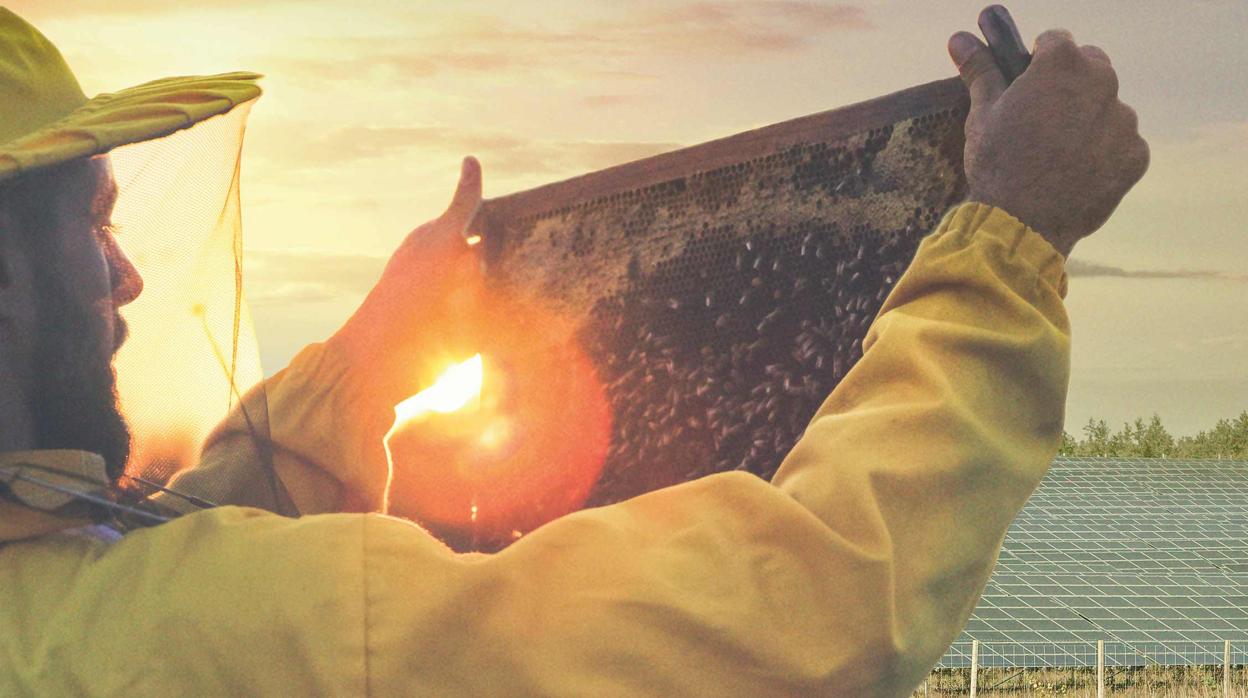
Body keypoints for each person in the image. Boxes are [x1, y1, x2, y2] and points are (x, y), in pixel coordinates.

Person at [0, 6, 1147, 696]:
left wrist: (368, 357)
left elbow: (160, 541)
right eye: (92, 217)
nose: (129, 270)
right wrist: (1008, 238)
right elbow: (799, 612)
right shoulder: (211, 626)